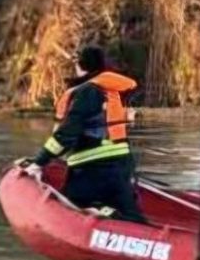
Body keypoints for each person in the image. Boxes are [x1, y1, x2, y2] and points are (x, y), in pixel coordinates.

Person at [29, 43, 142, 223]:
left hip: (92, 167)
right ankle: (118, 217)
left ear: (79, 66)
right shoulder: (113, 90)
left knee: (67, 204)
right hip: (122, 165)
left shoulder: (86, 92)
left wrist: (39, 162)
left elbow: (66, 134)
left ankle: (104, 212)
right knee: (133, 219)